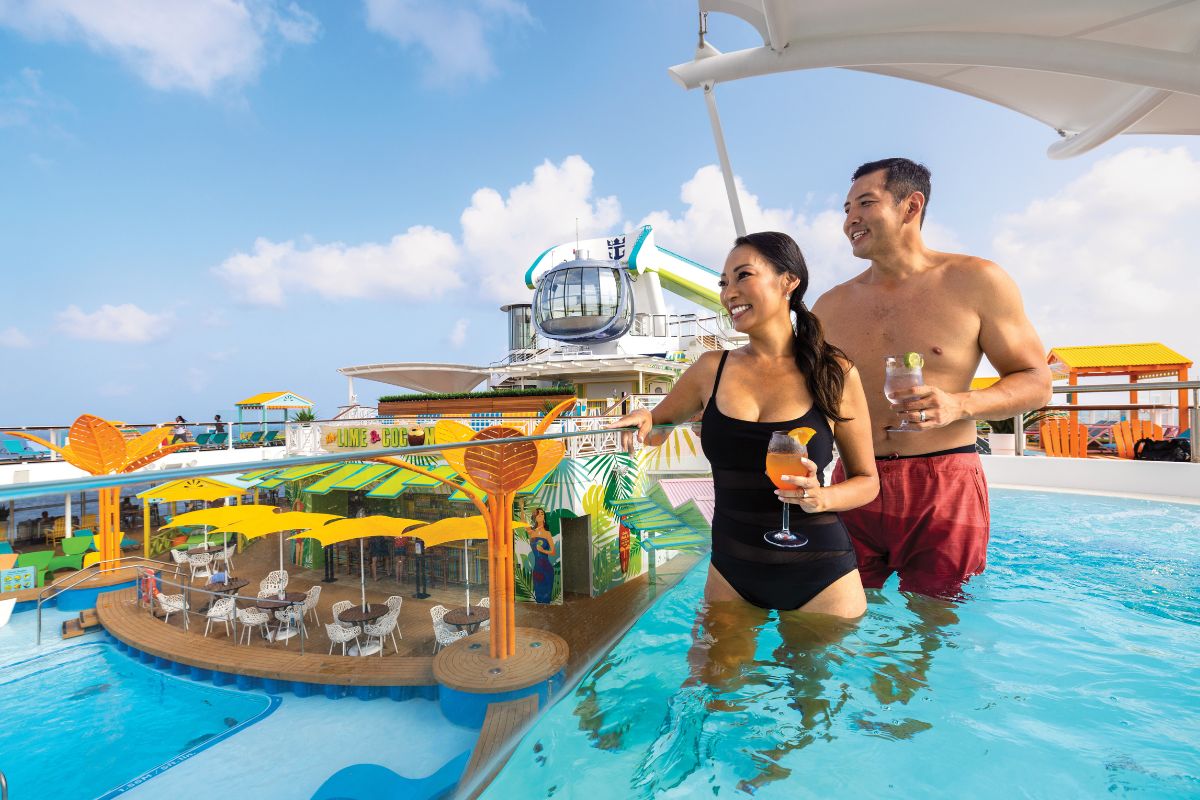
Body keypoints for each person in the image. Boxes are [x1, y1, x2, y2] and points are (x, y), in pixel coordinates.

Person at [814, 157, 1052, 599]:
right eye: (846, 209)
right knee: (834, 613)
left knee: (934, 622)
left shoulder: (977, 281)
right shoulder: (829, 306)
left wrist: (960, 404)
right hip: (854, 480)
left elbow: (1037, 382)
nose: (850, 220)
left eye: (865, 203)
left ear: (911, 206)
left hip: (944, 482)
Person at [614, 231, 879, 617]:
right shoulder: (710, 369)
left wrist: (822, 497)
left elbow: (867, 480)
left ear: (789, 281)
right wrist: (644, 416)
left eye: (743, 276)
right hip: (731, 572)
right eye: (724, 282)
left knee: (809, 681)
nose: (728, 292)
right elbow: (659, 419)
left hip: (821, 571)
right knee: (709, 679)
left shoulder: (834, 372)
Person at [528, 508, 557, 604]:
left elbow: (553, 552)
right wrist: (522, 508)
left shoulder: (547, 533)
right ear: (535, 518)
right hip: (537, 569)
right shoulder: (532, 532)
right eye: (537, 514)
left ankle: (547, 617)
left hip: (547, 569)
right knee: (538, 596)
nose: (540, 515)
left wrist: (543, 550)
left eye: (542, 513)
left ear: (544, 517)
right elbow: (523, 522)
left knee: (546, 598)